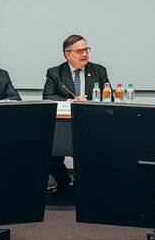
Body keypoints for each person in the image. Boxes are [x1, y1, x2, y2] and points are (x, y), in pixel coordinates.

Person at [43, 35, 110, 195]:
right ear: (68, 54)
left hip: (91, 124)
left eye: (86, 50)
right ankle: (64, 182)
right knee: (50, 150)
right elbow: (48, 96)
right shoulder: (55, 72)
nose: (85, 54)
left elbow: (109, 96)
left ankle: (85, 186)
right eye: (80, 51)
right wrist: (70, 100)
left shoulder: (98, 70)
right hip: (63, 124)